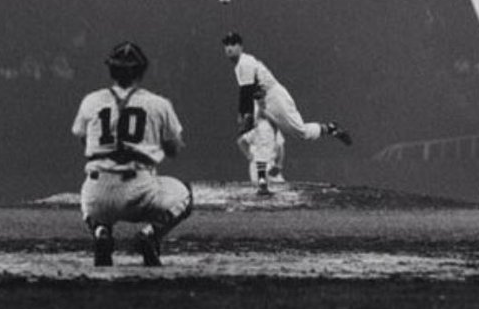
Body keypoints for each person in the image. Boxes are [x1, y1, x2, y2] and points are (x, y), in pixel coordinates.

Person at [70, 41, 193, 267]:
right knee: (185, 194)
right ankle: (150, 234)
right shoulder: (159, 103)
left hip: (97, 190)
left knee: (88, 193)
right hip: (138, 189)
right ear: (141, 71)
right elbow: (174, 149)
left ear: (111, 70)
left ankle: (100, 231)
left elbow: (83, 139)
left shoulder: (91, 101)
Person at [221, 31, 351, 196]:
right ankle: (262, 183)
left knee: (300, 132)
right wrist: (247, 115)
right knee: (263, 136)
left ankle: (330, 128)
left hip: (274, 98)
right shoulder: (239, 66)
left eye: (233, 44)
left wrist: (244, 116)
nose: (229, 48)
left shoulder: (245, 62)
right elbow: (246, 94)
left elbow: (245, 93)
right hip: (261, 103)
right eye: (226, 45)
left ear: (240, 46)